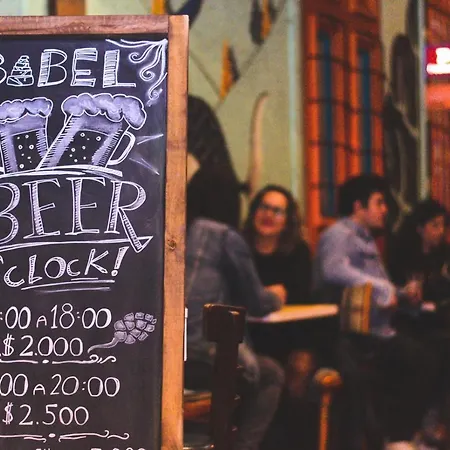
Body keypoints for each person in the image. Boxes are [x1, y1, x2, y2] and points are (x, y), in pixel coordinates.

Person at [313, 174, 436, 450]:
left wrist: (402, 294)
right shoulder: (339, 234)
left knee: (429, 357)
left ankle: (401, 436)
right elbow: (333, 269)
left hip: (377, 330)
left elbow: (379, 287)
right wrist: (382, 288)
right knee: (414, 360)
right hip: (347, 332)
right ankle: (394, 437)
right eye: (379, 202)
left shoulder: (367, 239)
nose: (385, 210)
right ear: (359, 206)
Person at [185, 167, 285, 450]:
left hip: (163, 357)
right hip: (201, 358)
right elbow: (258, 303)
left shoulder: (173, 229)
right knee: (271, 374)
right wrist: (277, 295)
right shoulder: (224, 236)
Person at [242, 184, 312, 304]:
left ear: (287, 221)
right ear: (253, 212)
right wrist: (265, 294)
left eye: (277, 211)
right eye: (264, 207)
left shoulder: (299, 251)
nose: (268, 215)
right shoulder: (237, 247)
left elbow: (302, 296)